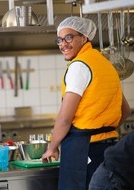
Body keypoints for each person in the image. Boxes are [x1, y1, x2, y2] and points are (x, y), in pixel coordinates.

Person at [41, 16, 131, 190]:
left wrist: (52, 147)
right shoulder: (106, 64)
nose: (63, 44)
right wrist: (104, 129)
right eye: (59, 40)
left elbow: (65, 119)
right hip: (109, 147)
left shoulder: (79, 66)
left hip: (83, 150)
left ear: (84, 37)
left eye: (69, 37)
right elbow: (125, 110)